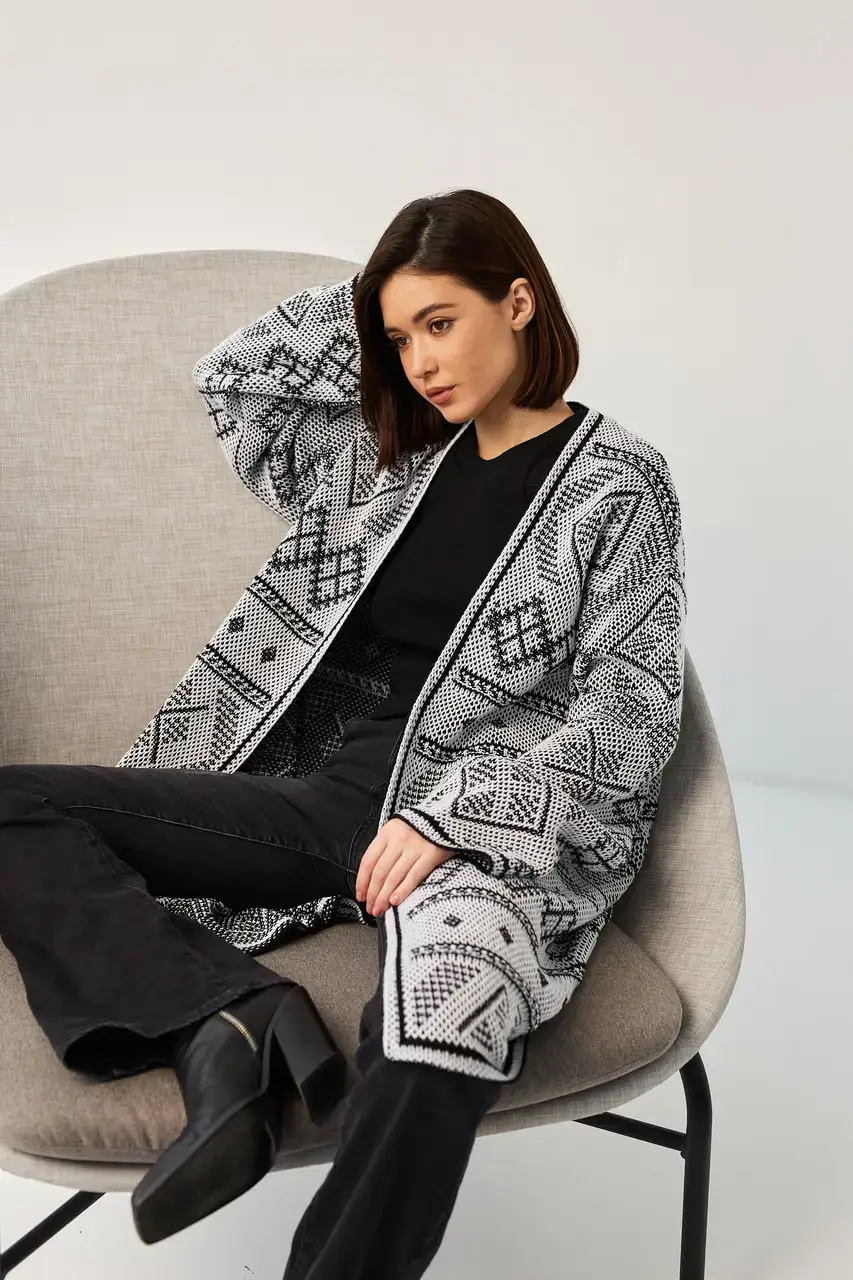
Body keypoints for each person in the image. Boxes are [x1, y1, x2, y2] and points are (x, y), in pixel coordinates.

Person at [0, 187, 685, 1279]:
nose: (421, 361)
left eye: (441, 323)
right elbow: (237, 378)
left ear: (519, 302)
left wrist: (455, 815)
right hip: (323, 802)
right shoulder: (390, 460)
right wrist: (380, 294)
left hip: (477, 837)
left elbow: (631, 716)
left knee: (444, 1023)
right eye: (400, 338)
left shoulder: (620, 486)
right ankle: (226, 1022)